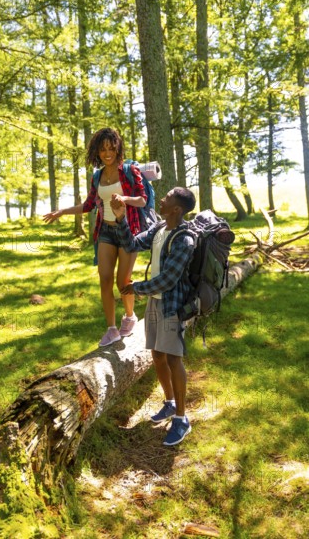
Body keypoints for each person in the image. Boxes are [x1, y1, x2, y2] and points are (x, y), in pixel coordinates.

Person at [43, 128, 147, 347]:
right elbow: (89, 205)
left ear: (118, 148)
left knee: (123, 282)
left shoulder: (130, 170)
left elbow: (142, 200)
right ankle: (111, 329)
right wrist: (62, 211)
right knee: (105, 279)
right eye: (103, 150)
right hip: (106, 233)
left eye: (111, 148)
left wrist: (125, 198)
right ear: (97, 152)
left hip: (129, 231)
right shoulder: (97, 176)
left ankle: (130, 317)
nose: (107, 153)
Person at [110, 187, 196, 446]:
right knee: (157, 355)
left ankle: (182, 419)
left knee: (173, 358)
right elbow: (132, 243)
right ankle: (169, 404)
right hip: (154, 304)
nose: (162, 199)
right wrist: (121, 217)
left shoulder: (185, 239)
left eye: (167, 198)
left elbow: (169, 280)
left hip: (172, 305)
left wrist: (136, 288)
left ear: (177, 209)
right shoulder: (160, 229)